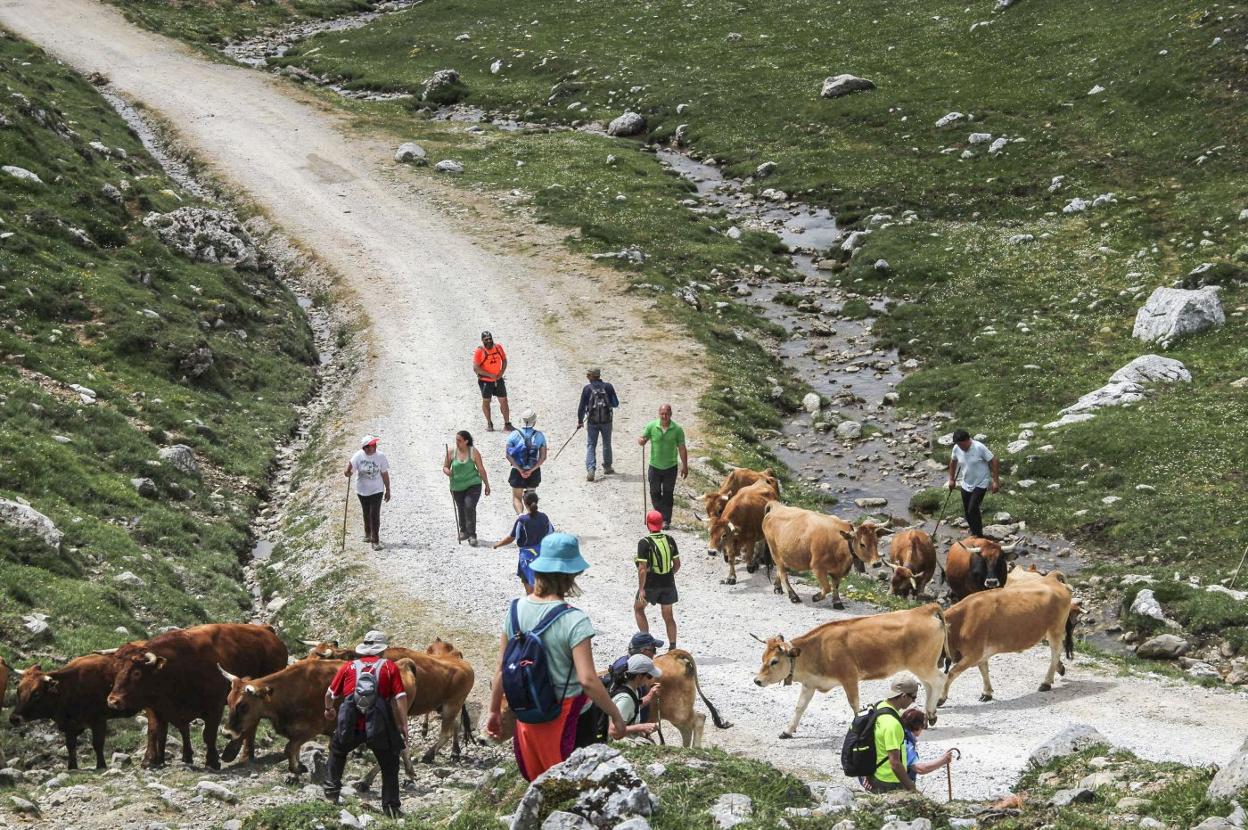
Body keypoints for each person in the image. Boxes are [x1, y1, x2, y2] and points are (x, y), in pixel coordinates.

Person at [485, 533, 651, 780]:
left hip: (528, 716)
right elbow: (587, 680)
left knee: (539, 784)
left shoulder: (514, 611)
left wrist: (494, 711)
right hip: (567, 720)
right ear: (569, 576)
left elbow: (500, 669)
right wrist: (616, 715)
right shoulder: (574, 619)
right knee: (569, 787)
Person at [323, 630, 409, 818]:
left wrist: (329, 710)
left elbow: (330, 694)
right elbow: (401, 697)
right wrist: (403, 724)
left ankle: (331, 795)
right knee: (390, 763)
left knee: (337, 751)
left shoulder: (349, 667)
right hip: (380, 724)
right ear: (382, 650)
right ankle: (391, 808)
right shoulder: (388, 667)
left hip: (351, 724)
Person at [575, 654, 663, 748]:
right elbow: (613, 731)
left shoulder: (628, 687)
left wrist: (650, 696)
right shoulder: (626, 698)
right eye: (649, 676)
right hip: (618, 744)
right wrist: (642, 727)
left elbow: (633, 707)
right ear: (639, 676)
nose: (651, 679)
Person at [862, 676, 920, 794]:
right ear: (904, 696)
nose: (913, 702)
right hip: (889, 781)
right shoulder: (892, 724)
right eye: (913, 698)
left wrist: (868, 774)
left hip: (875, 774)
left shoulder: (879, 707)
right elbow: (895, 763)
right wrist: (911, 788)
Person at [634, 510, 681, 650]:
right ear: (661, 524)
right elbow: (677, 564)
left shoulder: (644, 543)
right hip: (668, 582)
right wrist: (668, 574)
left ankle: (646, 643)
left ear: (648, 524)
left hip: (651, 583)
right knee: (668, 615)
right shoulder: (670, 539)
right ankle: (673, 646)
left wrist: (642, 589)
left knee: (638, 608)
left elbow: (642, 569)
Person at [493, 490, 554, 594]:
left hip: (527, 558)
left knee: (529, 588)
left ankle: (531, 605)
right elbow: (551, 533)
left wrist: (497, 544)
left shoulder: (522, 520)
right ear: (537, 501)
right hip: (542, 556)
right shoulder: (544, 517)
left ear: (524, 503)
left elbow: (511, 538)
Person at [637, 404, 688, 529]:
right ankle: (659, 515)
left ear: (671, 414)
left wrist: (685, 466)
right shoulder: (652, 426)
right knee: (654, 492)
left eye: (666, 414)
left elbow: (682, 448)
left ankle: (665, 520)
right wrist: (641, 440)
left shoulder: (677, 429)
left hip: (670, 467)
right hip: (654, 466)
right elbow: (642, 438)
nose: (664, 416)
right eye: (662, 414)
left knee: (668, 494)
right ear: (659, 413)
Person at [947, 429, 999, 538]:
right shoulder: (956, 448)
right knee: (967, 511)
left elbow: (993, 461)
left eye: (961, 444)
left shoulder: (979, 447)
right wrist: (951, 479)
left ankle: (978, 535)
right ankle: (973, 531)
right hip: (966, 482)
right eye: (958, 444)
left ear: (967, 440)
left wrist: (995, 481)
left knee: (972, 508)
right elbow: (953, 462)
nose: (960, 447)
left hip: (981, 482)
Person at [443, 430, 490, 546]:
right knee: (461, 507)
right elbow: (445, 467)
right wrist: (447, 471)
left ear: (466, 441)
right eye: (456, 440)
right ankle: (463, 530)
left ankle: (472, 535)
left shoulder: (473, 452)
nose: (457, 443)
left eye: (459, 441)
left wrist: (487, 484)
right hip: (456, 486)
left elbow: (481, 469)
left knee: (469, 506)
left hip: (473, 484)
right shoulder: (451, 452)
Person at [605, 632, 665, 723]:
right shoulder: (625, 694)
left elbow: (634, 703)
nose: (654, 654)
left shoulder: (626, 666)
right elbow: (616, 728)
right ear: (643, 650)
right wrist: (639, 727)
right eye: (653, 650)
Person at [345, 435, 391, 551]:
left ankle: (375, 540)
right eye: (370, 445)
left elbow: (384, 473)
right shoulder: (358, 456)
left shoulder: (381, 456)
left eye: (374, 445)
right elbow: (349, 471)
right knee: (366, 512)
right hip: (362, 490)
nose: (373, 447)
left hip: (377, 490)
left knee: (374, 515)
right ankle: (367, 533)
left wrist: (388, 489)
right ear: (365, 448)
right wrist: (347, 472)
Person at [577, 367, 619, 482]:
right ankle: (608, 467)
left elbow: (581, 407)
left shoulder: (587, 389)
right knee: (607, 443)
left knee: (591, 445)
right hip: (607, 421)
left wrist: (580, 421)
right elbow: (616, 403)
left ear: (591, 376)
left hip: (592, 421)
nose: (587, 377)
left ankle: (591, 469)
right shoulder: (608, 387)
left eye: (587, 375)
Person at [899, 707, 957, 782]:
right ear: (918, 726)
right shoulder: (907, 743)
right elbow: (920, 768)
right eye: (922, 726)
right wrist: (943, 760)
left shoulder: (900, 735)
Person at [506, 409, 548, 513]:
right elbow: (543, 457)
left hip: (517, 471)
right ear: (534, 421)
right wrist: (532, 470)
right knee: (531, 498)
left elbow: (508, 454)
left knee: (517, 497)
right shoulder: (540, 436)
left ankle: (520, 516)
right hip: (533, 472)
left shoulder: (513, 435)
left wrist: (520, 470)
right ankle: (531, 517)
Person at [474, 330, 512, 432]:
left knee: (504, 400)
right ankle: (489, 423)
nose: (489, 341)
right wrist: (490, 375)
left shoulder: (498, 347)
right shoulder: (479, 351)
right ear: (482, 340)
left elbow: (504, 360)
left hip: (498, 379)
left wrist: (501, 372)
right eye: (486, 339)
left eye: (490, 338)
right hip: (485, 381)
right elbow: (476, 368)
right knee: (486, 401)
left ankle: (507, 424)